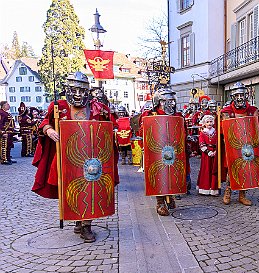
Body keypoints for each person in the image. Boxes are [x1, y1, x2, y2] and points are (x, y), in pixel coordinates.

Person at [32, 72, 119, 243]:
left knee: (90, 189)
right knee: (74, 190)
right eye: (74, 90)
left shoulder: (96, 108)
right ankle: (78, 218)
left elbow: (109, 127)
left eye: (82, 90)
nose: (78, 95)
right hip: (68, 158)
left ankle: (86, 225)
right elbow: (43, 123)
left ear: (87, 91)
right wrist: (49, 130)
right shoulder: (59, 107)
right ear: (67, 90)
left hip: (92, 158)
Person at [140, 87, 188, 216]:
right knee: (159, 174)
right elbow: (143, 133)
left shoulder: (178, 116)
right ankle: (160, 201)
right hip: (157, 151)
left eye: (173, 101)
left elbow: (184, 133)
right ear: (159, 102)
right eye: (168, 101)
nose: (172, 104)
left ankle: (170, 195)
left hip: (173, 150)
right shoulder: (150, 115)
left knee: (172, 173)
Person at [220, 82, 259, 206]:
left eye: (242, 95)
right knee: (231, 170)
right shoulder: (226, 111)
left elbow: (256, 128)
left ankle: (242, 195)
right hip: (232, 145)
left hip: (247, 145)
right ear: (233, 96)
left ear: (246, 96)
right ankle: (228, 192)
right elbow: (223, 130)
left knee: (245, 169)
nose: (239, 98)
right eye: (237, 95)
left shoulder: (253, 110)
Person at [196, 115, 218, 196]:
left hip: (215, 153)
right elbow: (201, 143)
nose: (209, 123)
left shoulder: (215, 132)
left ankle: (213, 188)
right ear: (204, 123)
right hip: (206, 155)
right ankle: (204, 188)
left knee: (214, 170)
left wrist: (216, 151)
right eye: (207, 122)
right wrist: (208, 152)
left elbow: (218, 142)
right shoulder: (202, 133)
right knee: (206, 170)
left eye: (211, 122)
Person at [0, 101, 16, 165]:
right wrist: (2, 132)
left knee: (8, 146)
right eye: (7, 104)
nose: (9, 105)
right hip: (5, 132)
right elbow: (0, 123)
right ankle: (3, 159)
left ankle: (8, 158)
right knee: (4, 146)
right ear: (3, 105)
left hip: (9, 133)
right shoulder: (1, 113)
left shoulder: (6, 113)